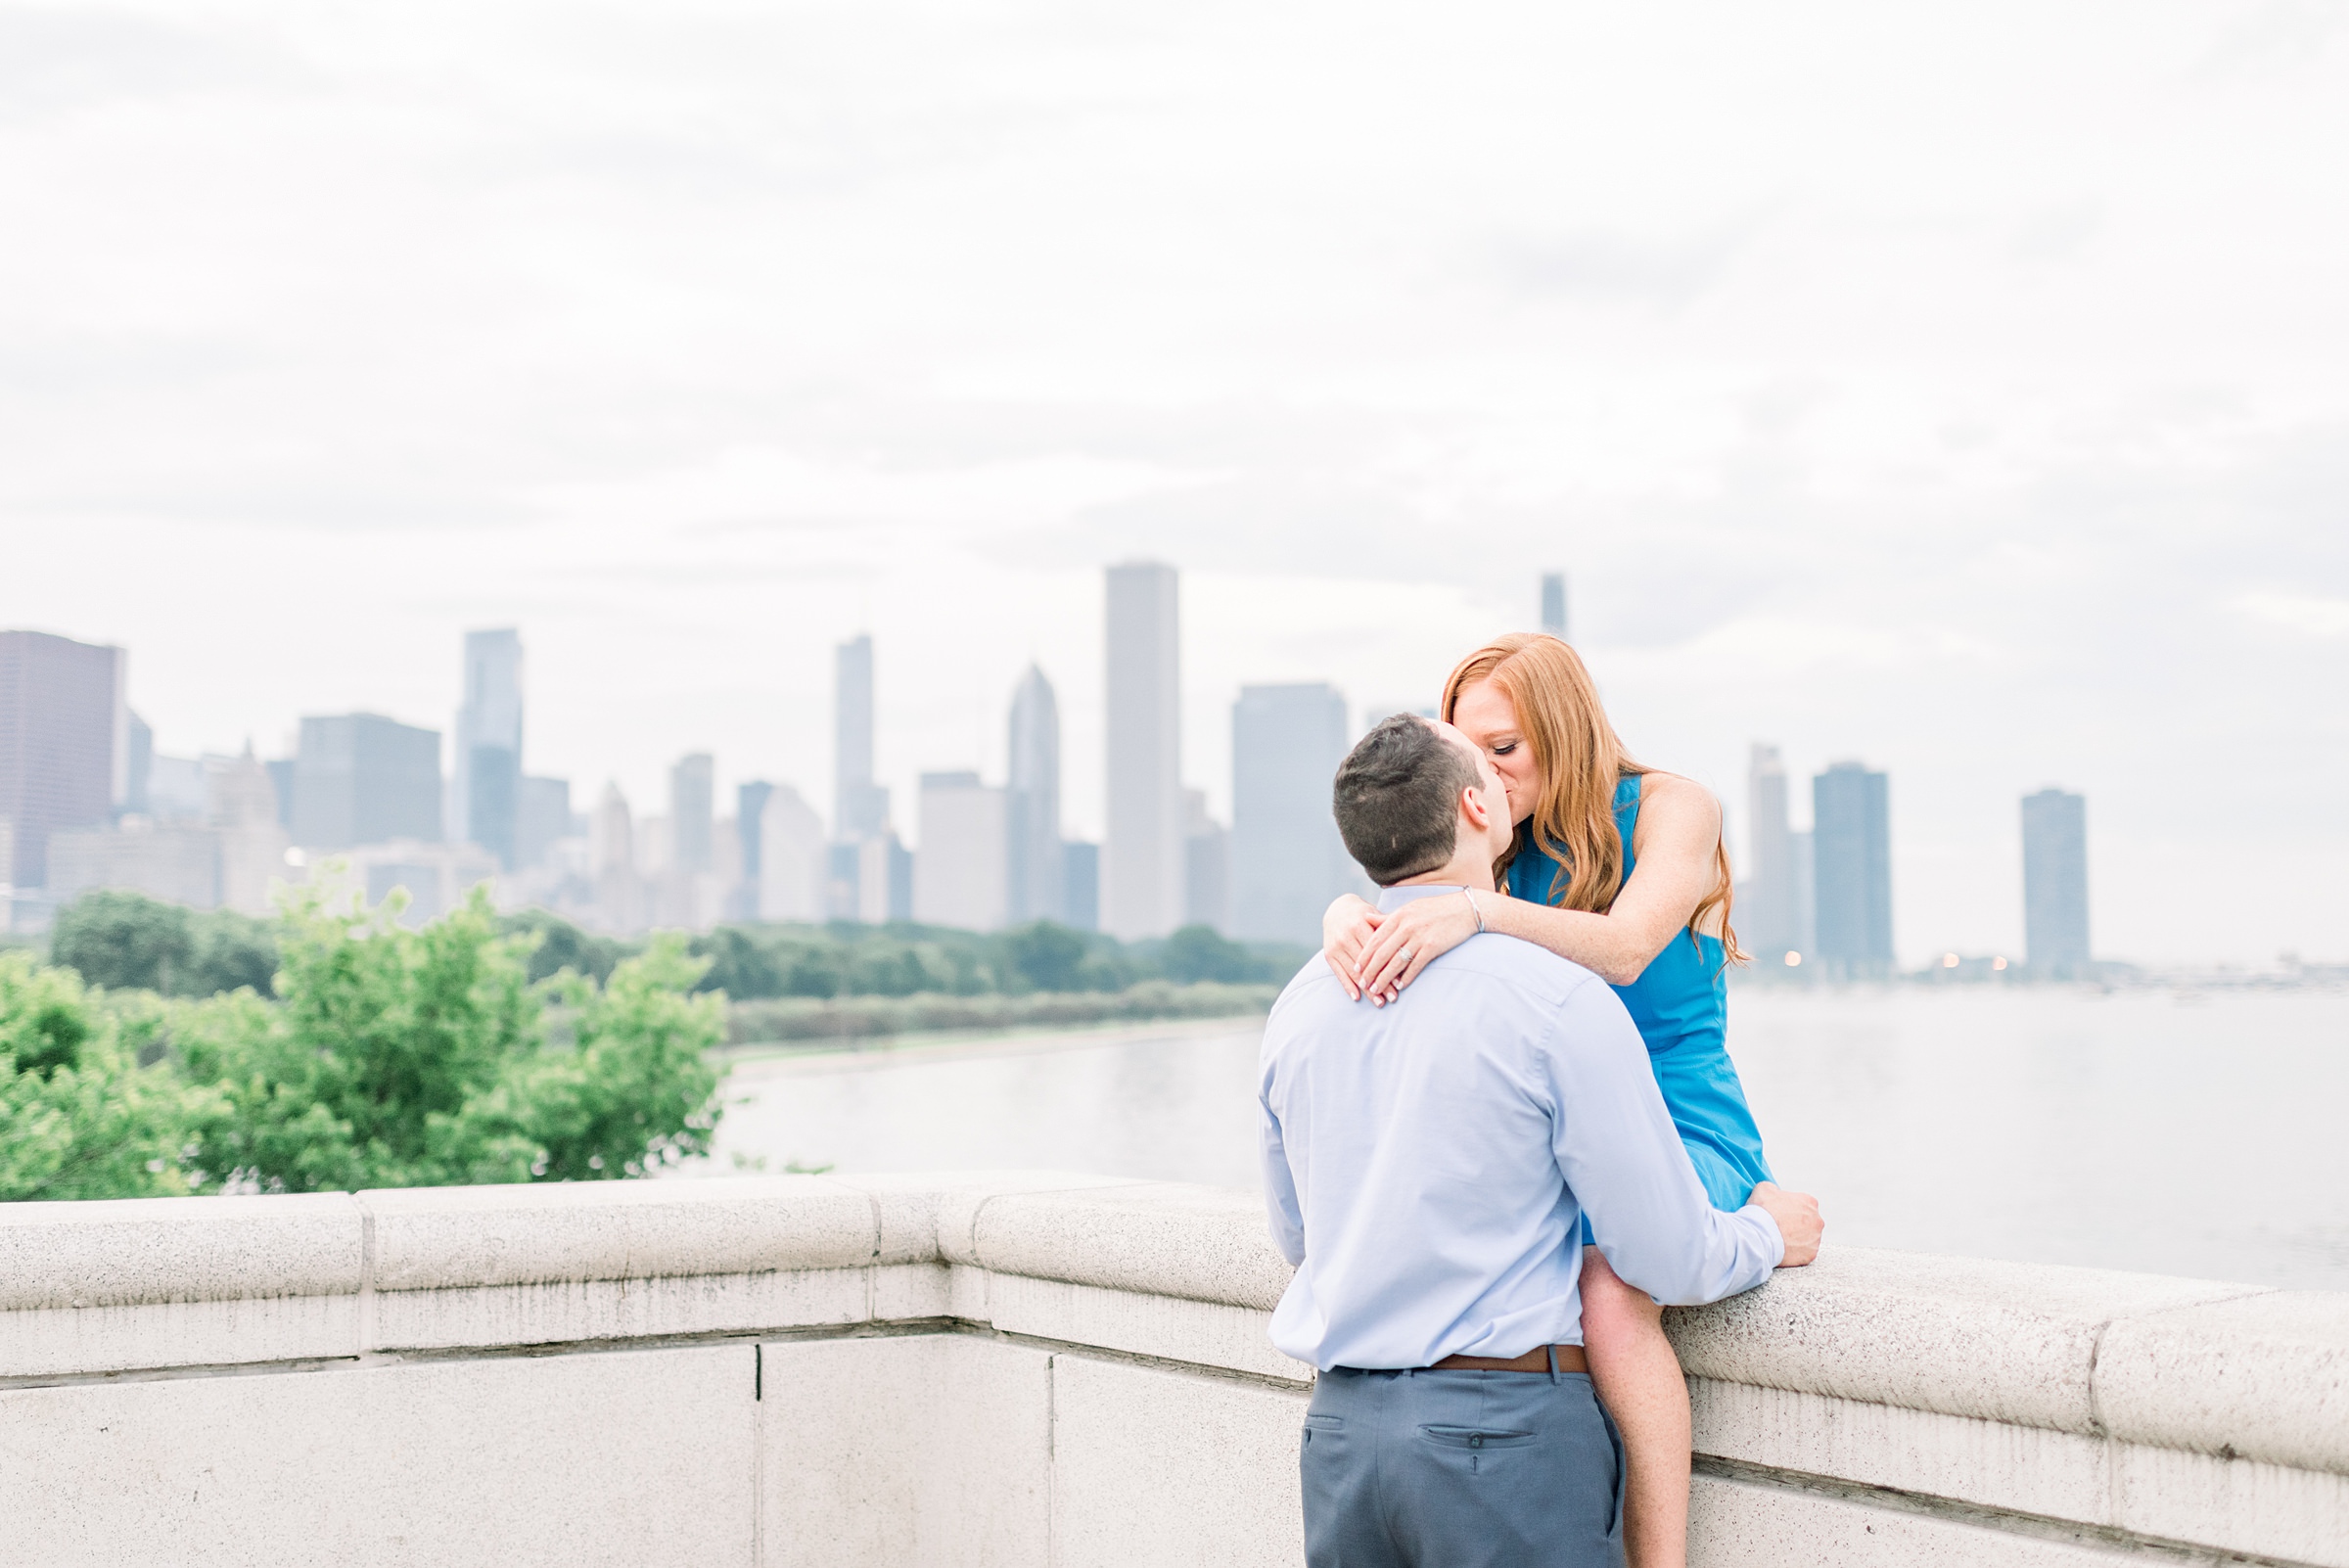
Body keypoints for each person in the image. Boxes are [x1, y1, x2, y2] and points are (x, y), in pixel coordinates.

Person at [1262, 714, 1822, 1568]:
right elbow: (1663, 1255)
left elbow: (1300, 1240)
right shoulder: (1553, 999)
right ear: (1475, 808)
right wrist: (1767, 1233)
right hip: (1501, 1440)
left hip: (1342, 1436)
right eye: (1485, 766)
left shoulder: (1301, 1007)